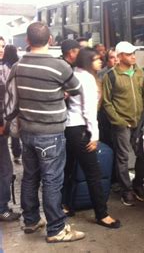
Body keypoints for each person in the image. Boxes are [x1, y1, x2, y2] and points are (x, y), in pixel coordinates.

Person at [14, 22, 85, 242]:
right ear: (51, 40)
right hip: (50, 134)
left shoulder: (19, 65)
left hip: (27, 132)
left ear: (27, 40)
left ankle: (31, 220)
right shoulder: (59, 66)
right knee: (52, 181)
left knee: (30, 177)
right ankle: (56, 229)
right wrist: (59, 92)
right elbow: (76, 89)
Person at [62, 48, 120, 229]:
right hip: (81, 129)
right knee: (93, 173)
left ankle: (65, 205)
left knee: (68, 169)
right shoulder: (86, 78)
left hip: (69, 127)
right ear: (88, 61)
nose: (100, 62)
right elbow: (89, 109)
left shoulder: (74, 74)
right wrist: (94, 136)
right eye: (96, 59)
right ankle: (102, 214)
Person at [102, 41, 144, 206]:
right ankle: (126, 189)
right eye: (129, 54)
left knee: (142, 155)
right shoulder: (111, 75)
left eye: (133, 54)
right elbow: (107, 102)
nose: (133, 57)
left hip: (139, 122)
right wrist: (118, 121)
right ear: (120, 56)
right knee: (123, 157)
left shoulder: (140, 73)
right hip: (122, 123)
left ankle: (138, 184)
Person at [0, 37, 21, 222]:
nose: (0, 50)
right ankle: (2, 208)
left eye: (1, 46)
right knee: (5, 169)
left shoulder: (4, 69)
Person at [1, 45, 22, 164]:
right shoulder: (18, 65)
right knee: (15, 132)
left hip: (6, 106)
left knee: (6, 132)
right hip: (16, 106)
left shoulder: (5, 66)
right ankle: (17, 154)